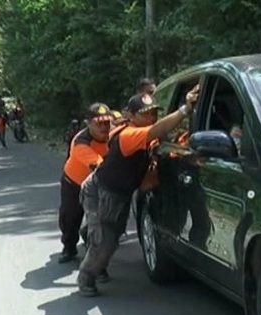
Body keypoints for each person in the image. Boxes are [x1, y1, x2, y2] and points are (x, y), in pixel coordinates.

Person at [76, 86, 199, 296]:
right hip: (100, 191)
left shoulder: (144, 134)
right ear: (132, 116)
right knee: (104, 240)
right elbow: (156, 131)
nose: (152, 116)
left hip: (119, 194)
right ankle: (86, 278)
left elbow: (166, 139)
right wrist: (185, 109)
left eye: (154, 112)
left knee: (111, 237)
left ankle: (94, 248)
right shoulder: (130, 134)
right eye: (145, 113)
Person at [58, 103, 113, 264]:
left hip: (98, 184)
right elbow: (100, 166)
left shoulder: (114, 133)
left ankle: (93, 244)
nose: (104, 127)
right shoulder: (81, 142)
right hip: (74, 182)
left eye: (106, 123)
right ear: (89, 124)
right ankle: (69, 247)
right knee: (70, 217)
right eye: (99, 124)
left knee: (100, 219)